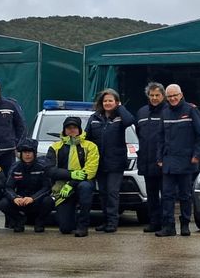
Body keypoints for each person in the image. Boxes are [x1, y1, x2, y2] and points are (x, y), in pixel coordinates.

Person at [156, 84, 200, 237]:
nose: (172, 99)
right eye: (169, 96)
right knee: (167, 195)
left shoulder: (191, 110)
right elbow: (160, 138)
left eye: (175, 95)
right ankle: (169, 226)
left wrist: (197, 155)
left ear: (181, 94)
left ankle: (185, 225)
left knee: (185, 195)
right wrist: (159, 158)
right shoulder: (164, 113)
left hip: (186, 161)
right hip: (169, 162)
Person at [85, 88, 135, 233]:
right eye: (105, 100)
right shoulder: (94, 117)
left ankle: (113, 222)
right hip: (99, 163)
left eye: (111, 101)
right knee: (103, 193)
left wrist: (120, 108)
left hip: (116, 163)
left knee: (113, 193)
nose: (107, 103)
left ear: (116, 102)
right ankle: (105, 220)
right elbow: (87, 138)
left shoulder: (120, 117)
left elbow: (130, 120)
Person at [45, 116, 99, 237]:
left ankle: (83, 226)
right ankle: (70, 217)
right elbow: (49, 170)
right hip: (61, 187)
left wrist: (71, 184)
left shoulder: (91, 146)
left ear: (80, 129)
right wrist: (70, 174)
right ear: (64, 130)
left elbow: (90, 171)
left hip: (82, 183)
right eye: (68, 128)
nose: (71, 130)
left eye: (74, 127)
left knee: (85, 187)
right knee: (65, 228)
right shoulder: (55, 147)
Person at [0, 138, 53, 233]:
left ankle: (39, 222)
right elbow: (8, 187)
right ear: (21, 154)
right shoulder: (15, 167)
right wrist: (15, 198)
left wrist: (33, 198)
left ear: (34, 153)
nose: (27, 155)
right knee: (3, 203)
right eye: (24, 152)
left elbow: (47, 188)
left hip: (36, 200)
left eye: (30, 152)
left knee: (49, 201)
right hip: (21, 200)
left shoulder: (42, 166)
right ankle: (19, 220)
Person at [134, 82, 167, 233]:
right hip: (146, 160)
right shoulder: (141, 112)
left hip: (163, 161)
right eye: (151, 95)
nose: (154, 98)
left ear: (163, 96)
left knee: (166, 195)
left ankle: (166, 223)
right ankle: (154, 222)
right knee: (151, 195)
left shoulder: (168, 111)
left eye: (157, 95)